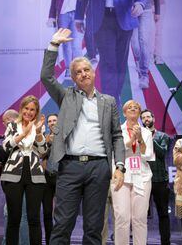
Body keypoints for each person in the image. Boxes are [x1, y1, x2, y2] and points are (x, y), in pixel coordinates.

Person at [40, 28, 126, 244]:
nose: (83, 74)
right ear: (74, 77)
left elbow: (117, 136)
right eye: (78, 72)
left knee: (94, 227)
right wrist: (54, 45)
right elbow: (46, 77)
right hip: (69, 167)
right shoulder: (66, 96)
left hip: (99, 168)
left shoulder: (108, 101)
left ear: (93, 72)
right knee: (62, 226)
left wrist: (120, 166)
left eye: (86, 69)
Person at [75, 0, 148, 108]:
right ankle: (110, 99)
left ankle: (114, 94)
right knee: (108, 60)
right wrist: (79, 17)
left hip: (124, 16)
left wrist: (139, 3)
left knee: (120, 61)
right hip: (101, 18)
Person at [0, 95, 47, 245]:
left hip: (35, 174)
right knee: (14, 218)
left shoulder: (39, 127)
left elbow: (43, 151)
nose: (29, 112)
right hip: (13, 173)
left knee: (34, 218)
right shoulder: (12, 126)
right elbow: (6, 146)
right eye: (26, 108)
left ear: (36, 111)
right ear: (21, 109)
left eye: (33, 109)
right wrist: (23, 134)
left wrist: (38, 133)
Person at [0, 109, 30, 245]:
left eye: (4, 123)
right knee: (10, 215)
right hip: (13, 182)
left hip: (19, 180)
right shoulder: (16, 132)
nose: (4, 126)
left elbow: (11, 155)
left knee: (20, 217)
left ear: (9, 121)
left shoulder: (20, 131)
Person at [111, 100, 154, 245]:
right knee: (122, 217)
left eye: (136, 107)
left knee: (140, 218)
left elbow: (148, 155)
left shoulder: (147, 132)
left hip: (142, 176)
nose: (133, 109)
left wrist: (140, 139)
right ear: (124, 113)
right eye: (130, 108)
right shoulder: (117, 131)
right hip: (121, 175)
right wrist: (131, 141)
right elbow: (116, 152)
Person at [127, 0, 161, 89]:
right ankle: (142, 64)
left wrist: (157, 11)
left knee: (143, 41)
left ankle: (144, 74)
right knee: (134, 44)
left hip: (146, 10)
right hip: (131, 11)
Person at [48, 0, 83, 79]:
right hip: (63, 15)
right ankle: (68, 69)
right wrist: (51, 16)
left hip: (78, 15)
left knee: (76, 44)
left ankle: (79, 70)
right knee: (66, 44)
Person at [140, 109, 171, 245]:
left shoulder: (162, 136)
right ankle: (141, 241)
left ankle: (166, 242)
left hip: (160, 180)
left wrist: (149, 139)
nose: (146, 119)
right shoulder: (139, 136)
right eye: (144, 118)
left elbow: (163, 153)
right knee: (141, 216)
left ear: (153, 118)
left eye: (148, 116)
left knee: (163, 214)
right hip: (143, 179)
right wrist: (143, 138)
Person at [41, 113, 58, 244]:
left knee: (61, 213)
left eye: (54, 120)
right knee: (47, 212)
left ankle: (60, 240)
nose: (52, 123)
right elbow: (42, 154)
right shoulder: (45, 138)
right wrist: (48, 142)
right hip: (47, 177)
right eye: (50, 121)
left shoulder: (65, 137)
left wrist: (56, 141)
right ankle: (48, 241)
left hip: (61, 177)